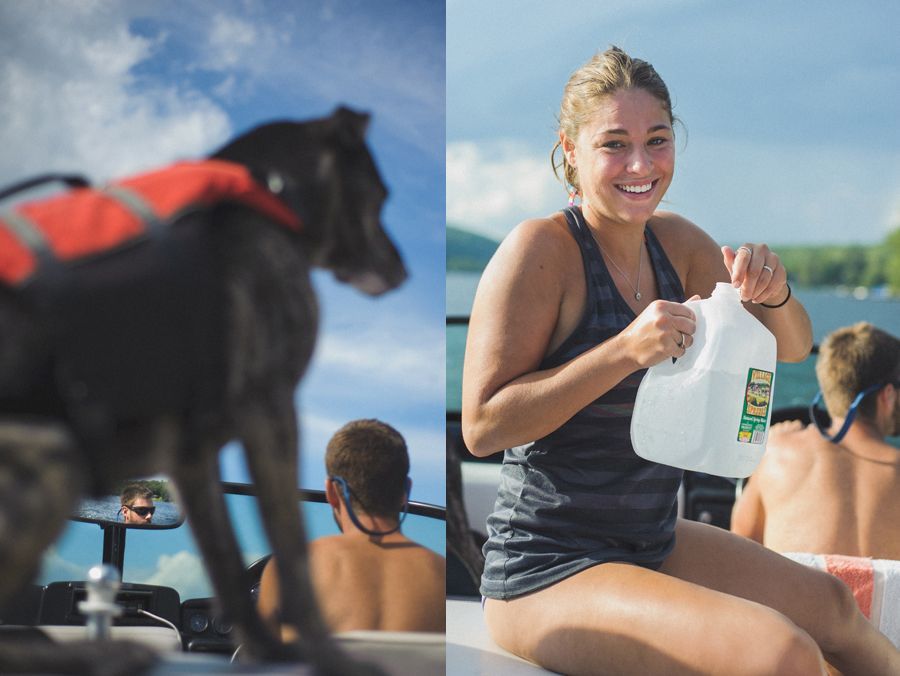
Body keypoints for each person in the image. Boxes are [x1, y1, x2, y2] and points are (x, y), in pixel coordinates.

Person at [462, 46, 900, 674]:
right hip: (545, 567)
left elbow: (796, 345)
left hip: (651, 539)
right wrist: (621, 352)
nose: (640, 164)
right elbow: (481, 427)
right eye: (614, 143)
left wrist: (775, 294)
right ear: (571, 151)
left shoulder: (678, 243)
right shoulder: (541, 250)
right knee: (781, 653)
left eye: (657, 140)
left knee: (832, 608)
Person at [257, 419, 445, 638]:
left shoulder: (289, 567)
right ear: (406, 490)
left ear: (331, 492)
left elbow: (259, 663)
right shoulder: (441, 573)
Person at [732, 322, 900, 557]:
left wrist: (771, 443)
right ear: (888, 395)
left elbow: (741, 548)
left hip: (799, 594)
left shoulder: (776, 452)